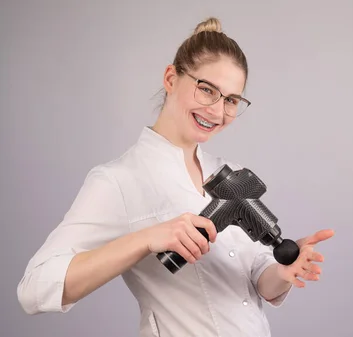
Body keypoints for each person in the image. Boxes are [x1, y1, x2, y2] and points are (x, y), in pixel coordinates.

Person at [17, 17, 334, 337]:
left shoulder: (230, 175)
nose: (217, 111)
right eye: (207, 89)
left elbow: (257, 279)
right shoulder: (119, 182)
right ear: (171, 78)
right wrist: (145, 239)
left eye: (231, 100)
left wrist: (285, 270)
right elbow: (34, 290)